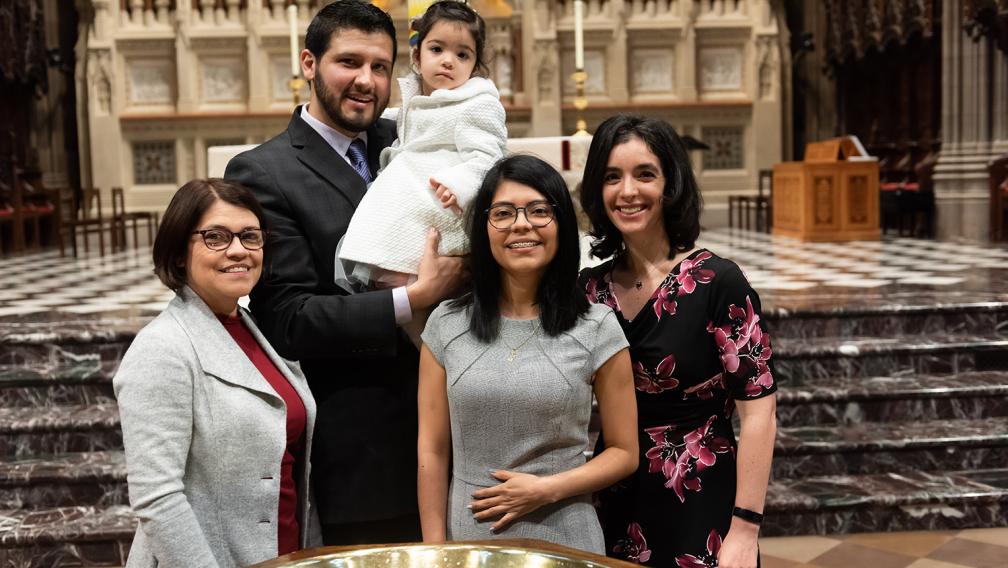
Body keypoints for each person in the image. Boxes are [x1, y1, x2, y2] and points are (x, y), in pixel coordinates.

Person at [223, 0, 464, 545]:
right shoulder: (264, 171)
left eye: (381, 67)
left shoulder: (409, 138)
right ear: (309, 63)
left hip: (458, 432)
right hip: (365, 446)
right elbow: (289, 318)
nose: (367, 81)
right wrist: (415, 297)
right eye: (349, 62)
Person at [578, 115, 778, 568]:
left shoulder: (716, 282)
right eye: (612, 177)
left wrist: (746, 528)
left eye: (644, 174)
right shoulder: (589, 291)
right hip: (615, 496)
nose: (627, 191)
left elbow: (760, 409)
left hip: (701, 495)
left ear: (671, 185)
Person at [417, 154, 639, 554]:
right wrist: (435, 551)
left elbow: (624, 452)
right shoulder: (446, 325)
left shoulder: (598, 326)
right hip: (472, 539)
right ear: (483, 227)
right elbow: (432, 451)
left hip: (566, 534)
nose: (522, 224)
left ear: (562, 225)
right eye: (503, 213)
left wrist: (546, 489)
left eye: (539, 211)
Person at [114, 178, 317, 567]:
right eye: (216, 237)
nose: (238, 250)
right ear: (177, 252)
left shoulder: (258, 331)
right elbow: (158, 498)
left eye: (250, 237)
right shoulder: (162, 349)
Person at [338, 0, 506, 341]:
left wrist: (459, 184)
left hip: (443, 205)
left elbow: (489, 159)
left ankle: (435, 362)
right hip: (412, 205)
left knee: (424, 308)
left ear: (475, 66)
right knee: (402, 293)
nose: (448, 60)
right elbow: (412, 132)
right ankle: (427, 360)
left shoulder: (478, 104)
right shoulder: (416, 100)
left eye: (463, 55)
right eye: (437, 48)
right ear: (417, 57)